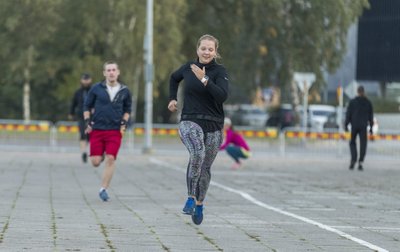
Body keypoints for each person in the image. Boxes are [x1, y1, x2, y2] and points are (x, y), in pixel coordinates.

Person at [168, 34, 229, 225]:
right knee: (197, 154)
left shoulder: (220, 71)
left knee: (205, 167)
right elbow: (173, 78)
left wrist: (205, 80)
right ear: (197, 50)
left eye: (211, 49)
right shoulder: (187, 68)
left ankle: (200, 203)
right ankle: (190, 198)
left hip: (213, 124)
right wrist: (172, 98)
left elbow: (222, 96)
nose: (207, 52)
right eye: (204, 48)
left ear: (215, 52)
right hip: (189, 121)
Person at [83, 61, 132, 201]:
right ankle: (101, 155)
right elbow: (87, 106)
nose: (111, 72)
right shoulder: (96, 89)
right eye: (108, 70)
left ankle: (103, 189)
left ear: (118, 72)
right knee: (96, 162)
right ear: (104, 73)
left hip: (115, 130)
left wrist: (124, 121)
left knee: (111, 159)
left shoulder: (124, 90)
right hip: (97, 129)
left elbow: (128, 109)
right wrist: (87, 121)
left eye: (113, 70)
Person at [345, 85, 374, 171]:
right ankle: (360, 162)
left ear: (357, 92)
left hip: (354, 125)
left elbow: (348, 114)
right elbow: (371, 116)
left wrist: (346, 124)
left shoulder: (352, 102)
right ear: (363, 92)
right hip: (363, 126)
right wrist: (371, 127)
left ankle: (353, 159)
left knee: (352, 142)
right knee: (363, 144)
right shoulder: (368, 102)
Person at [69, 73, 92, 163]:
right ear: (81, 80)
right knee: (82, 134)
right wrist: (71, 113)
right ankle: (83, 152)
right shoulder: (78, 92)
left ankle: (92, 152)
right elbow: (73, 103)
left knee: (91, 135)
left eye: (87, 79)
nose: (85, 81)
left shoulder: (94, 91)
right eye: (84, 79)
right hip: (81, 116)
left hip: (93, 117)